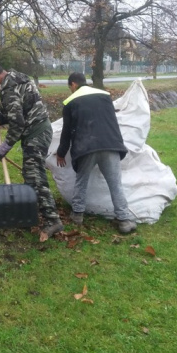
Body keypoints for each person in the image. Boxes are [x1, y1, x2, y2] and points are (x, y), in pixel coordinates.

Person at [0, 61, 64, 238]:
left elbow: (18, 122)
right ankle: (29, 213)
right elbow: (21, 109)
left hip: (36, 133)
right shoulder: (18, 78)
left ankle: (53, 220)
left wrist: (5, 146)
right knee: (30, 175)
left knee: (35, 176)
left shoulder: (8, 89)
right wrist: (0, 117)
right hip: (40, 129)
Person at [55, 73, 137, 234]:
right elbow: (112, 122)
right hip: (110, 144)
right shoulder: (104, 96)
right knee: (115, 184)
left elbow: (67, 132)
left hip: (86, 147)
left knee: (81, 181)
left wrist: (61, 152)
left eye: (69, 87)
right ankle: (124, 220)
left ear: (73, 84)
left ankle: (77, 215)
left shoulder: (70, 102)